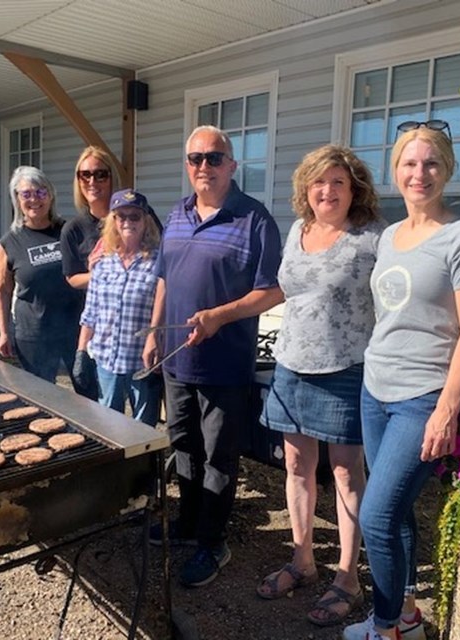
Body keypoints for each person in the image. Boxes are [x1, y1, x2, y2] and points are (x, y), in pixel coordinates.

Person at [343, 122, 460, 640]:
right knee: (398, 511)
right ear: (396, 171)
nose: (419, 173)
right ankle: (406, 615)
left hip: (422, 397)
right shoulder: (390, 236)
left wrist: (447, 407)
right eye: (409, 163)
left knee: (377, 517)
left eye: (431, 163)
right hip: (375, 388)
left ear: (447, 169)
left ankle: (386, 628)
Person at [143, 125, 283, 588]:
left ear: (232, 165)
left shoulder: (255, 219)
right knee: (182, 443)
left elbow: (272, 291)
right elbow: (165, 279)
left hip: (224, 363)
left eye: (214, 158)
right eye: (195, 158)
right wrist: (152, 333)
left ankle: (213, 542)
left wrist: (221, 316)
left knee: (218, 457)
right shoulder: (177, 214)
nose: (204, 166)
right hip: (177, 360)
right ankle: (188, 522)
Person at [255, 145, 384, 627]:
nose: (326, 191)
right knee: (295, 465)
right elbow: (288, 290)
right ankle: (302, 560)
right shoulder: (299, 230)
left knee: (347, 473)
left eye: (337, 182)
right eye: (318, 182)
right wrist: (224, 313)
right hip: (291, 363)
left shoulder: (373, 237)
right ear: (305, 189)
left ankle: (348, 578)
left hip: (347, 366)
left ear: (355, 189)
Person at [76, 189, 162, 426]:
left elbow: (164, 310)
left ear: (146, 221)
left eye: (135, 216)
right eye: (121, 216)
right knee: (108, 424)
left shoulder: (158, 262)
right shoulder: (102, 263)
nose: (127, 222)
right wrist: (81, 352)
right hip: (106, 359)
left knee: (144, 427)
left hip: (141, 362)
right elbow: (90, 313)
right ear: (112, 222)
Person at [0, 166, 81, 383]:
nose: (35, 199)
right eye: (26, 194)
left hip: (76, 329)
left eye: (41, 192)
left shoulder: (69, 231)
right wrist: (4, 332)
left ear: (51, 196)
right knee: (42, 396)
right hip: (34, 334)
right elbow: (3, 289)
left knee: (88, 392)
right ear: (17, 199)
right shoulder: (9, 242)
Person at [61, 145, 123, 398]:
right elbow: (72, 278)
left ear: (111, 177)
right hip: (99, 328)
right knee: (102, 404)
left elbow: (158, 260)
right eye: (84, 175)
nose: (92, 181)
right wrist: (101, 273)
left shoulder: (134, 214)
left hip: (136, 323)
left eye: (100, 174)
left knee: (142, 408)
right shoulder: (73, 229)